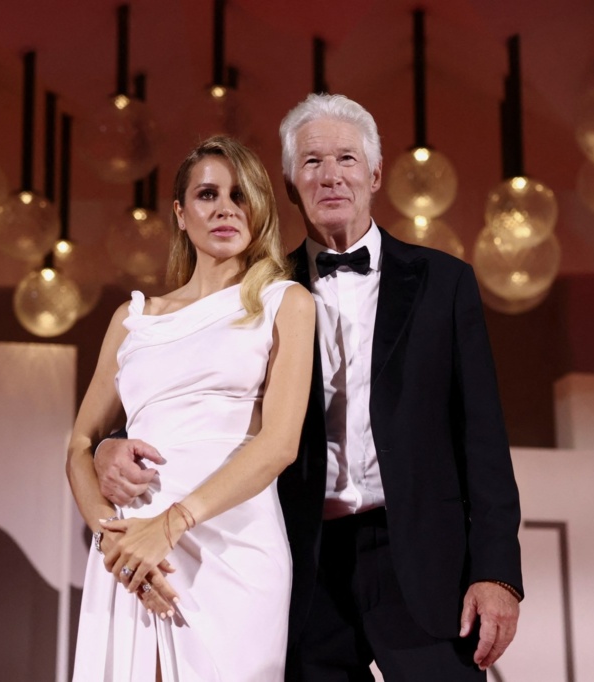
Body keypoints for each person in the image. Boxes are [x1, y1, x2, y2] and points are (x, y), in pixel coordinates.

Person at [95, 93, 523, 681]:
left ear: (375, 174)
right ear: (290, 186)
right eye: (312, 162)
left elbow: (483, 437)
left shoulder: (443, 283)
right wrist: (109, 443)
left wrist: (497, 573)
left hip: (423, 558)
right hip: (302, 561)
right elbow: (188, 389)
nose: (331, 176)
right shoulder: (256, 293)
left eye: (347, 159)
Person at [67, 135, 315, 680]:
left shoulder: (284, 301)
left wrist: (173, 523)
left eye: (240, 194)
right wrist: (114, 544)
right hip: (135, 548)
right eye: (208, 194)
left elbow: (280, 444)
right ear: (180, 213)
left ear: (260, 208)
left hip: (233, 541)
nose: (226, 208)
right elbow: (80, 445)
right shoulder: (133, 319)